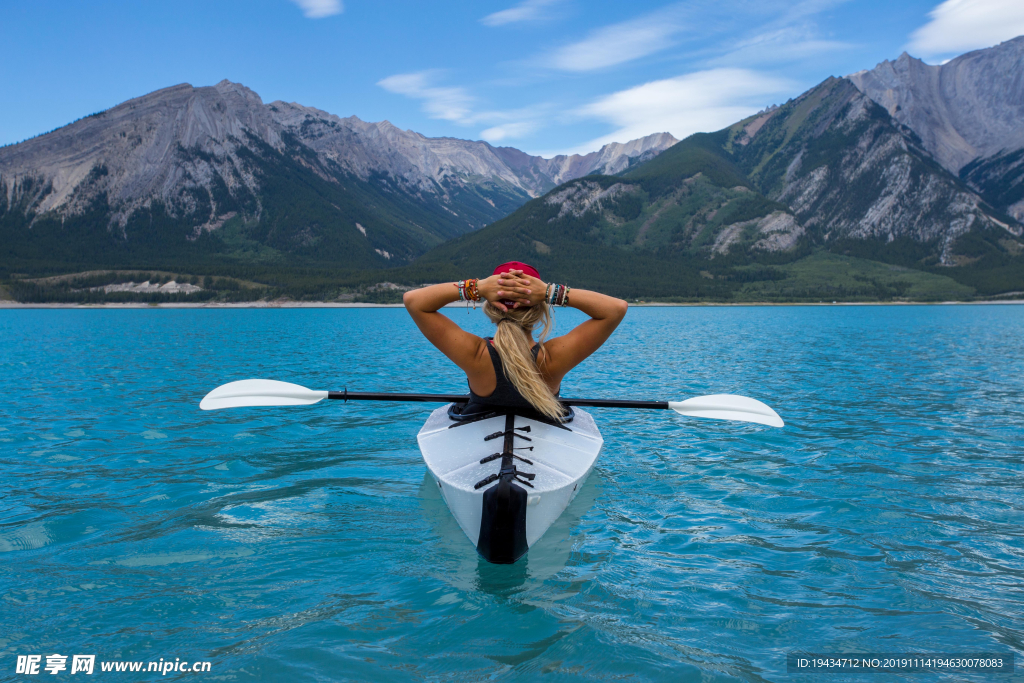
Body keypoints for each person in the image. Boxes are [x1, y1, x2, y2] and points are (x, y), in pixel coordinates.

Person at [402, 261, 628, 421]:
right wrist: (550, 291)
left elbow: (413, 301)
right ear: (540, 308)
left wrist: (477, 287)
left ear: (490, 306)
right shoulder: (552, 358)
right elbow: (616, 309)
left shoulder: (475, 354)